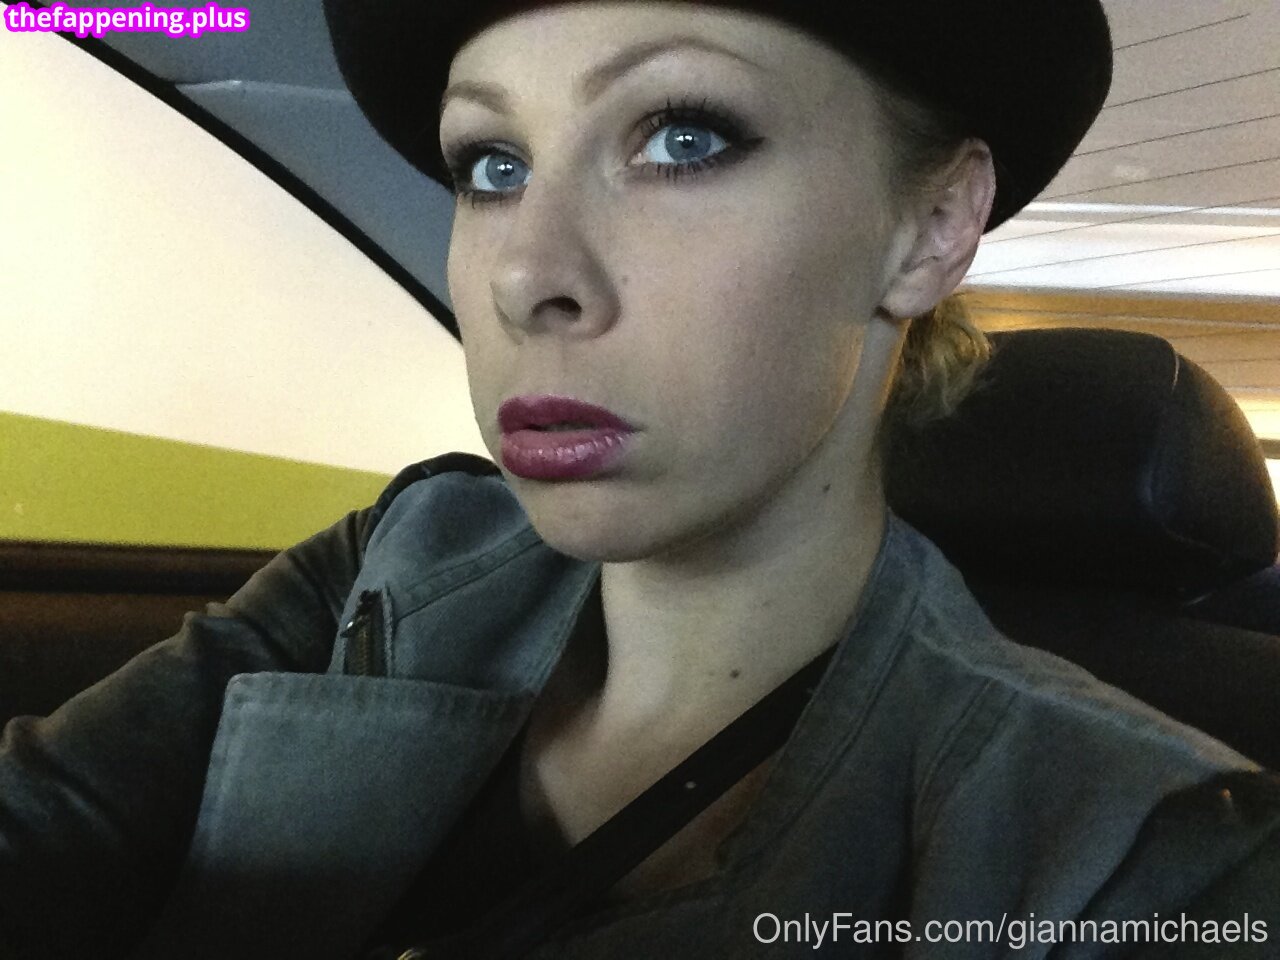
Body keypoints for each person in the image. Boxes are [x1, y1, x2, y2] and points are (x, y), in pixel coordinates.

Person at [2, 1, 1278, 958]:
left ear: (929, 228)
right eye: (492, 166)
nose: (524, 275)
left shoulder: (1143, 858)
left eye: (681, 137)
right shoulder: (401, 557)